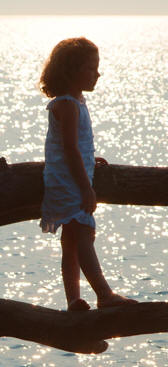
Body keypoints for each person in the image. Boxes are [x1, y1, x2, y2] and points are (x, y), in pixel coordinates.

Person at [39, 37, 138, 312]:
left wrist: (89, 158)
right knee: (82, 234)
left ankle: (73, 300)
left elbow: (70, 146)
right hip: (69, 181)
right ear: (72, 71)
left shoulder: (74, 101)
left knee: (70, 242)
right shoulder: (68, 105)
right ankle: (104, 294)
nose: (98, 74)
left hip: (66, 177)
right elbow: (69, 148)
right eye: (91, 68)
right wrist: (86, 187)